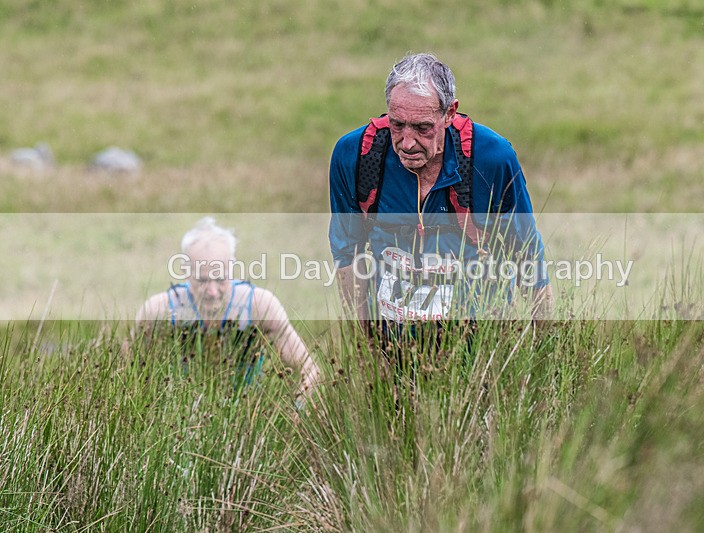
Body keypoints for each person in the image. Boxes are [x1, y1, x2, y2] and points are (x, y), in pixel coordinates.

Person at [328, 53, 552, 337]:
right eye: (397, 124)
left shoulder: (491, 159)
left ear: (449, 113)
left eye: (423, 127)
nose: (407, 143)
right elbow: (346, 251)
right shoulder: (356, 157)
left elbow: (527, 256)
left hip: (477, 345)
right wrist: (364, 345)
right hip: (389, 343)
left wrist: (547, 348)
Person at [132, 217, 320, 401]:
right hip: (176, 419)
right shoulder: (158, 311)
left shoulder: (258, 306)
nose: (212, 291)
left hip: (246, 417)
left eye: (221, 279)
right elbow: (130, 370)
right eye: (202, 280)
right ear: (185, 270)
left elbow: (310, 371)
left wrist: (298, 411)